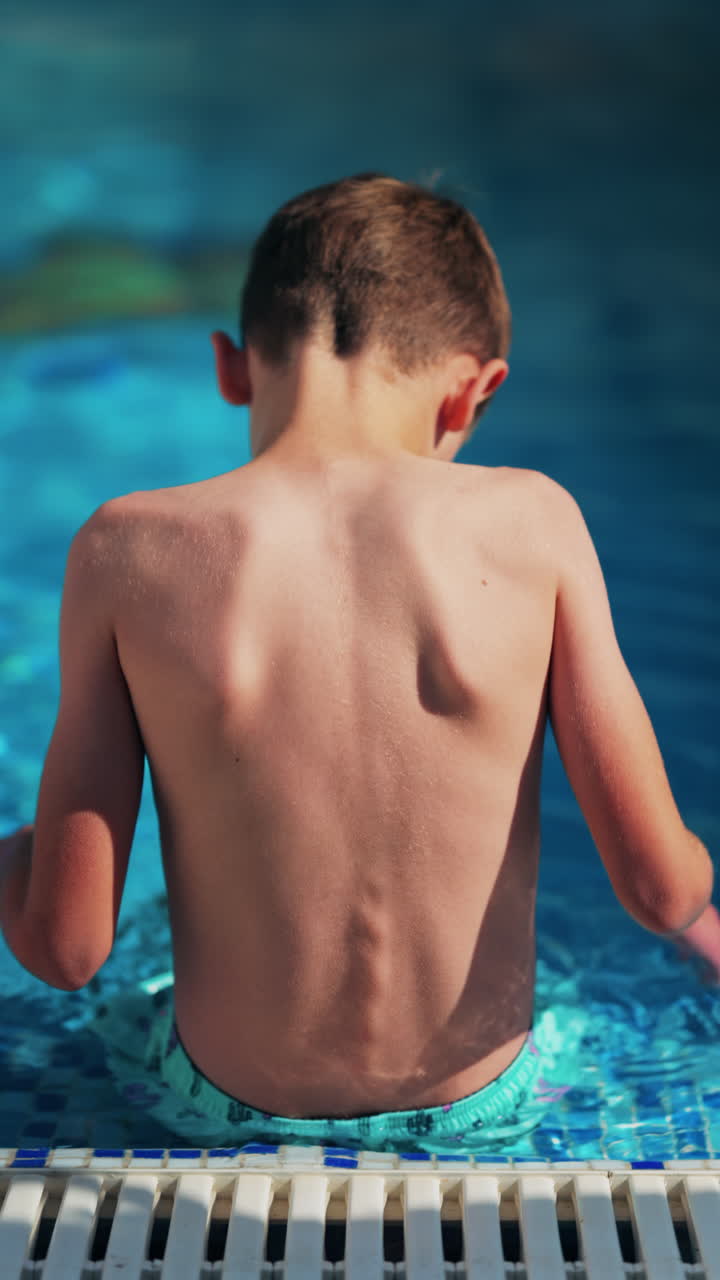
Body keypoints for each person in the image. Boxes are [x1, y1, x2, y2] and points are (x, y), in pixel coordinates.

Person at [1, 173, 718, 1153]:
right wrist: (696, 890)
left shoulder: (129, 547)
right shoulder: (534, 521)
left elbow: (67, 946)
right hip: (488, 1107)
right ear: (474, 389)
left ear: (229, 367)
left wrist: (16, 856)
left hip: (217, 1109)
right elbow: (658, 888)